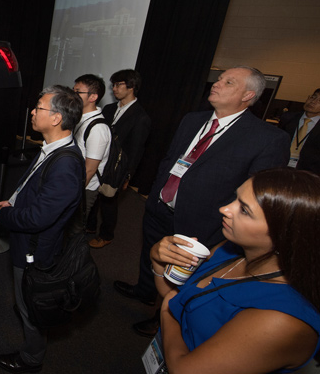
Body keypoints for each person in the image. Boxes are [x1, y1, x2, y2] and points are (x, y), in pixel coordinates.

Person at [114, 66, 290, 336]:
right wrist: (155, 196)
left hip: (203, 225)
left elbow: (257, 196)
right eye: (218, 79)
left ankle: (166, 317)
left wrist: (224, 233)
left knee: (185, 276)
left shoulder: (268, 139)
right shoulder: (192, 119)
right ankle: (145, 290)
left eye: (228, 82)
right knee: (151, 254)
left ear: (248, 95)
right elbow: (170, 159)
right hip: (160, 208)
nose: (216, 84)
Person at [149, 167, 320, 373]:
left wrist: (167, 313)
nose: (225, 209)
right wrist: (158, 260)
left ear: (284, 235)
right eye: (236, 199)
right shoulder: (229, 249)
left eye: (244, 210)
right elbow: (177, 295)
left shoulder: (282, 321)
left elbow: (184, 369)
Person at [0, 85, 85, 373]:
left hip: (36, 251)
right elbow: (36, 191)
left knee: (30, 309)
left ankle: (31, 359)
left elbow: (37, 219)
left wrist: (6, 216)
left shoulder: (65, 164)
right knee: (25, 301)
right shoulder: (53, 150)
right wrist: (13, 200)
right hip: (30, 243)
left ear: (56, 118)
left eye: (39, 107)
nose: (33, 112)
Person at [86, 69, 151, 248]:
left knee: (108, 201)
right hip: (99, 161)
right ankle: (90, 226)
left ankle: (106, 235)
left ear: (132, 87)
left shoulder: (141, 117)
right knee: (92, 194)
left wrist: (127, 176)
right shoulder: (109, 108)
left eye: (118, 84)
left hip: (117, 168)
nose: (114, 89)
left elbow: (136, 150)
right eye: (113, 85)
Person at [68, 74, 111, 237]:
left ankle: (73, 261)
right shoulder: (80, 118)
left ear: (93, 97)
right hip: (73, 181)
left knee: (74, 231)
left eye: (78, 92)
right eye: (73, 90)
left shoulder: (98, 128)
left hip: (84, 188)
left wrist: (72, 193)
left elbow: (90, 169)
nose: (72, 95)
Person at [278, 88, 320, 175]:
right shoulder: (288, 118)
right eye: (313, 97)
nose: (313, 102)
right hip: (279, 167)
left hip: (307, 174)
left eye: (319, 101)